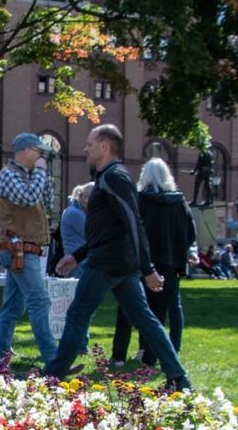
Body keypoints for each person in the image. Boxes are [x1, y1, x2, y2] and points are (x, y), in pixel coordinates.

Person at [44, 125, 192, 391]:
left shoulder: (115, 177)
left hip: (109, 263)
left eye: (90, 144)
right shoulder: (107, 178)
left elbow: (134, 223)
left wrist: (147, 268)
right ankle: (178, 378)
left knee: (78, 314)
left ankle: (53, 376)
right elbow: (107, 229)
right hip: (117, 262)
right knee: (145, 319)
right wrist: (77, 255)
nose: (85, 148)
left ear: (104, 146)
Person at [0, 132, 58, 372]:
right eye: (38, 152)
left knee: (12, 308)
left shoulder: (28, 176)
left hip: (25, 250)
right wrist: (39, 172)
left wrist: (42, 175)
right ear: (26, 151)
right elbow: (27, 199)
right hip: (18, 249)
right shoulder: (8, 176)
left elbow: (46, 200)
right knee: (39, 301)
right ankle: (54, 361)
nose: (40, 157)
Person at [110, 158, 194, 367]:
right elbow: (190, 233)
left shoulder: (139, 200)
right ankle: (149, 356)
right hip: (171, 264)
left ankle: (119, 355)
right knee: (158, 313)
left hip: (141, 262)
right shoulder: (180, 202)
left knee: (127, 308)